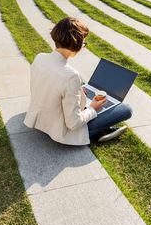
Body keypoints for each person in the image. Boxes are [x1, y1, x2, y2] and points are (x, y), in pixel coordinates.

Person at [24, 17, 132, 145]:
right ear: (78, 44)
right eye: (84, 43)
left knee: (80, 85)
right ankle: (99, 132)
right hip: (61, 131)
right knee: (126, 109)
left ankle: (101, 129)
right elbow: (73, 124)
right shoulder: (70, 75)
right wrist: (93, 108)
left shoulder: (39, 58)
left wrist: (78, 92)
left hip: (40, 119)